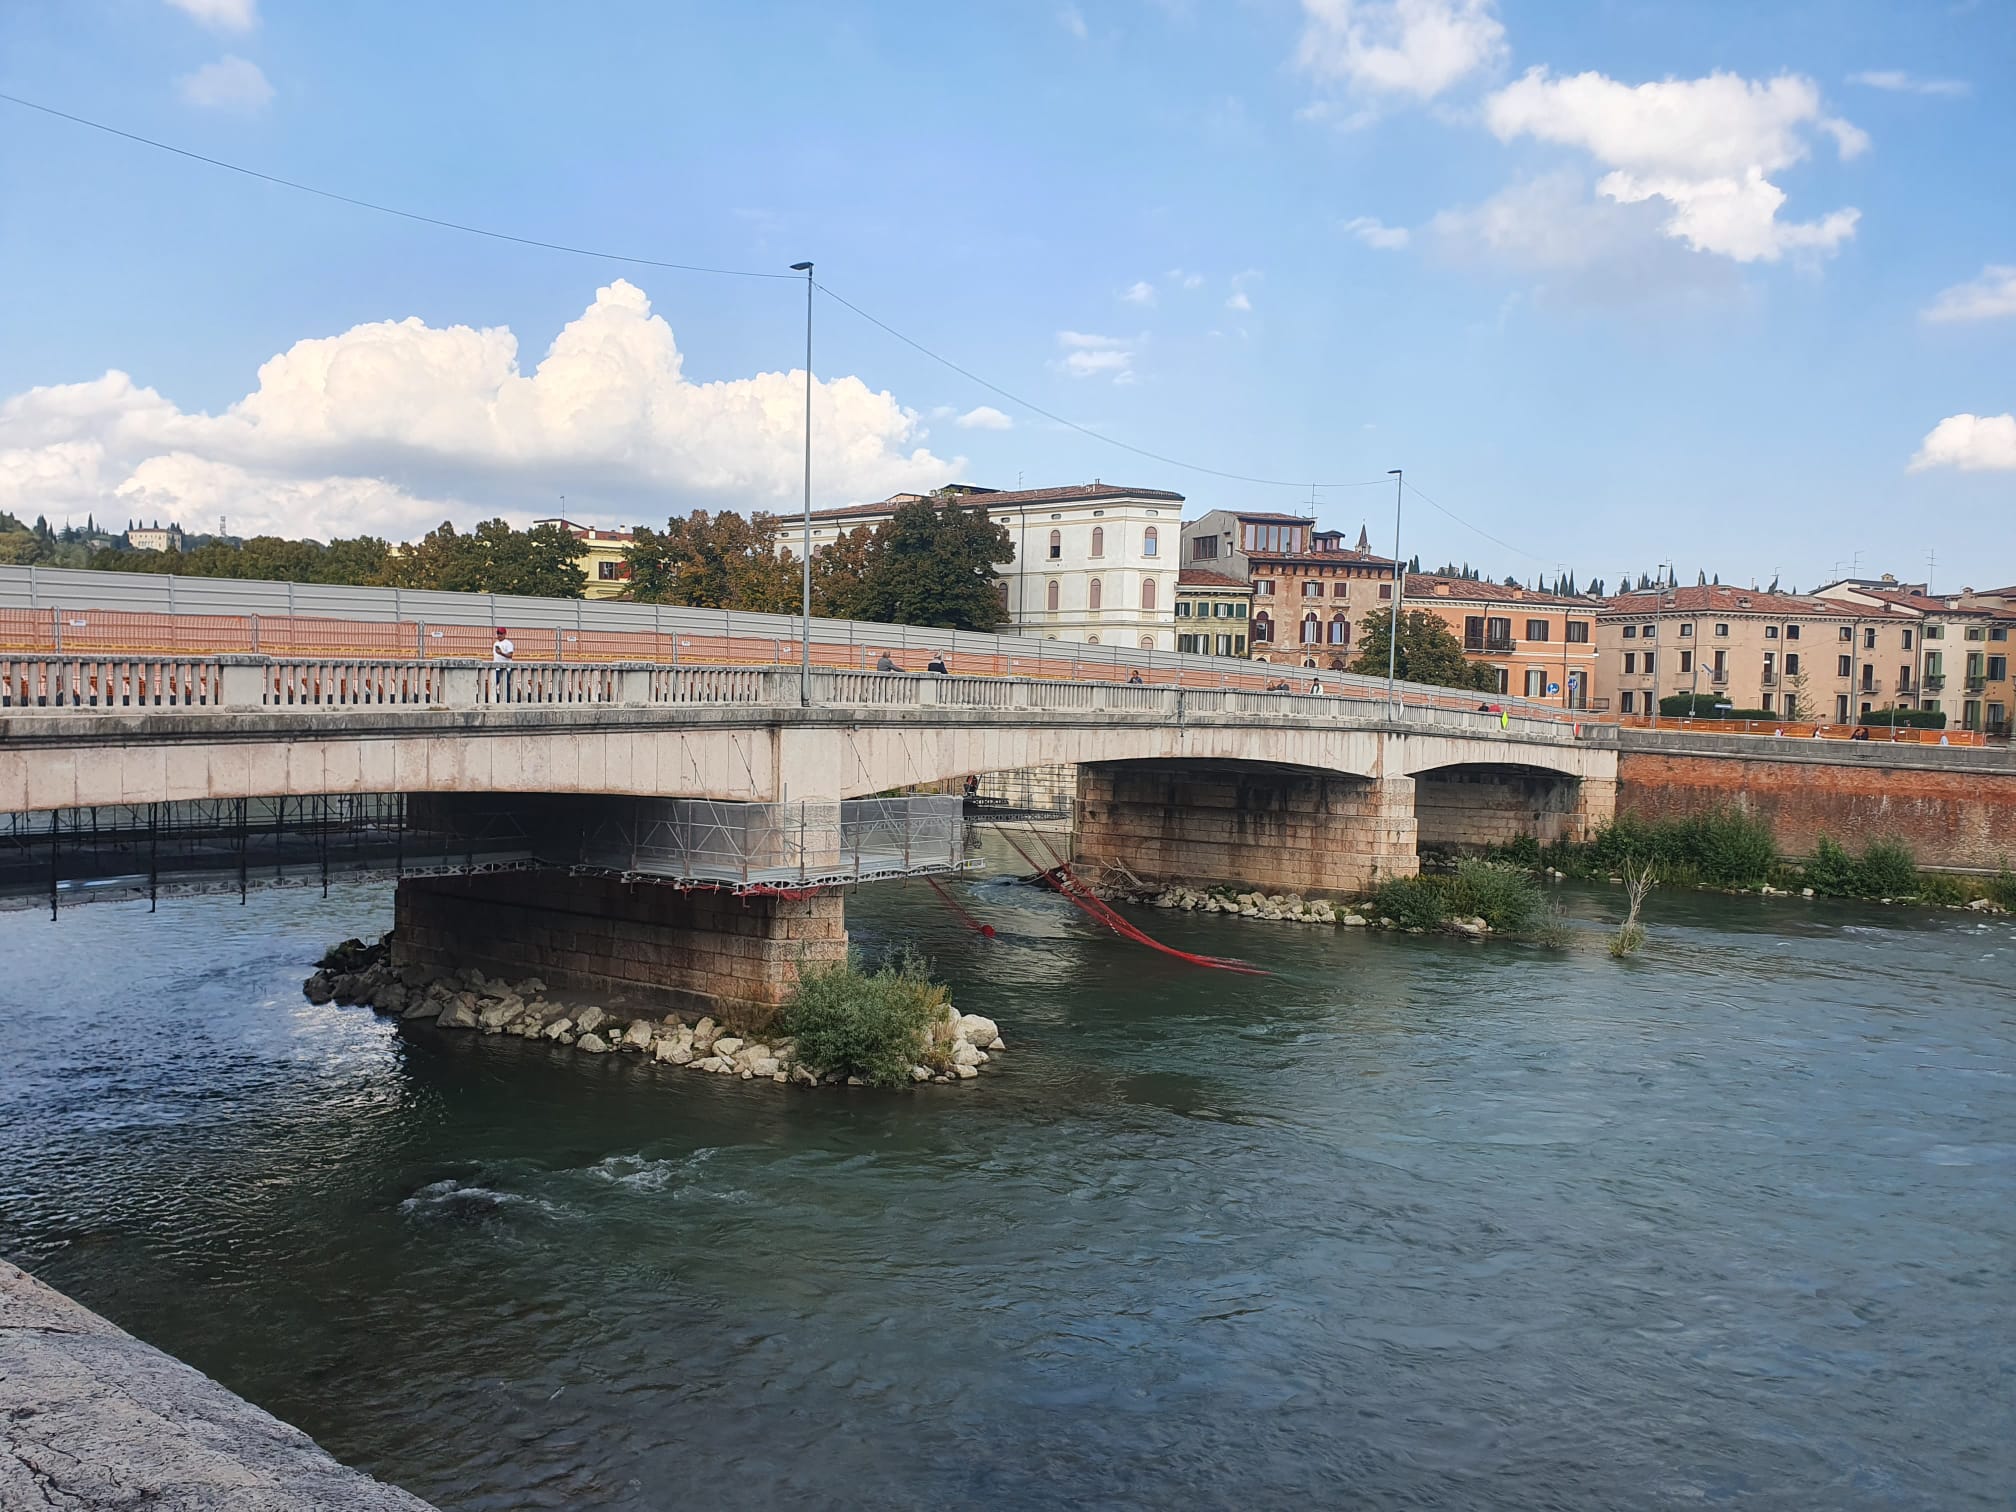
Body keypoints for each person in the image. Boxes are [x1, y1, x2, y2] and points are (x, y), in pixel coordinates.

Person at [491, 627, 514, 698]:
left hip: (505, 668)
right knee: (493, 684)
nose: (499, 635)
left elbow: (510, 655)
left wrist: (501, 653)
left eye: (501, 633)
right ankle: (494, 699)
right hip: (496, 668)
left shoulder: (508, 643)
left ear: (504, 634)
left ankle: (507, 700)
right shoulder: (496, 644)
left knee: (505, 685)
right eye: (498, 633)